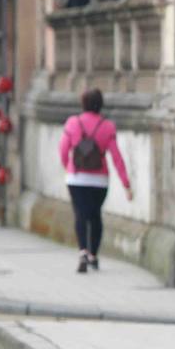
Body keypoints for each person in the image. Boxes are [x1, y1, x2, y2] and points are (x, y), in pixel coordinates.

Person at [57, 88, 132, 273]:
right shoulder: (107, 126)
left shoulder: (73, 123)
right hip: (99, 180)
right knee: (95, 215)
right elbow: (116, 156)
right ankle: (93, 255)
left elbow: (63, 148)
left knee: (80, 214)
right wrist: (126, 184)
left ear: (83, 104)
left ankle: (82, 251)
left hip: (76, 179)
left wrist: (68, 167)